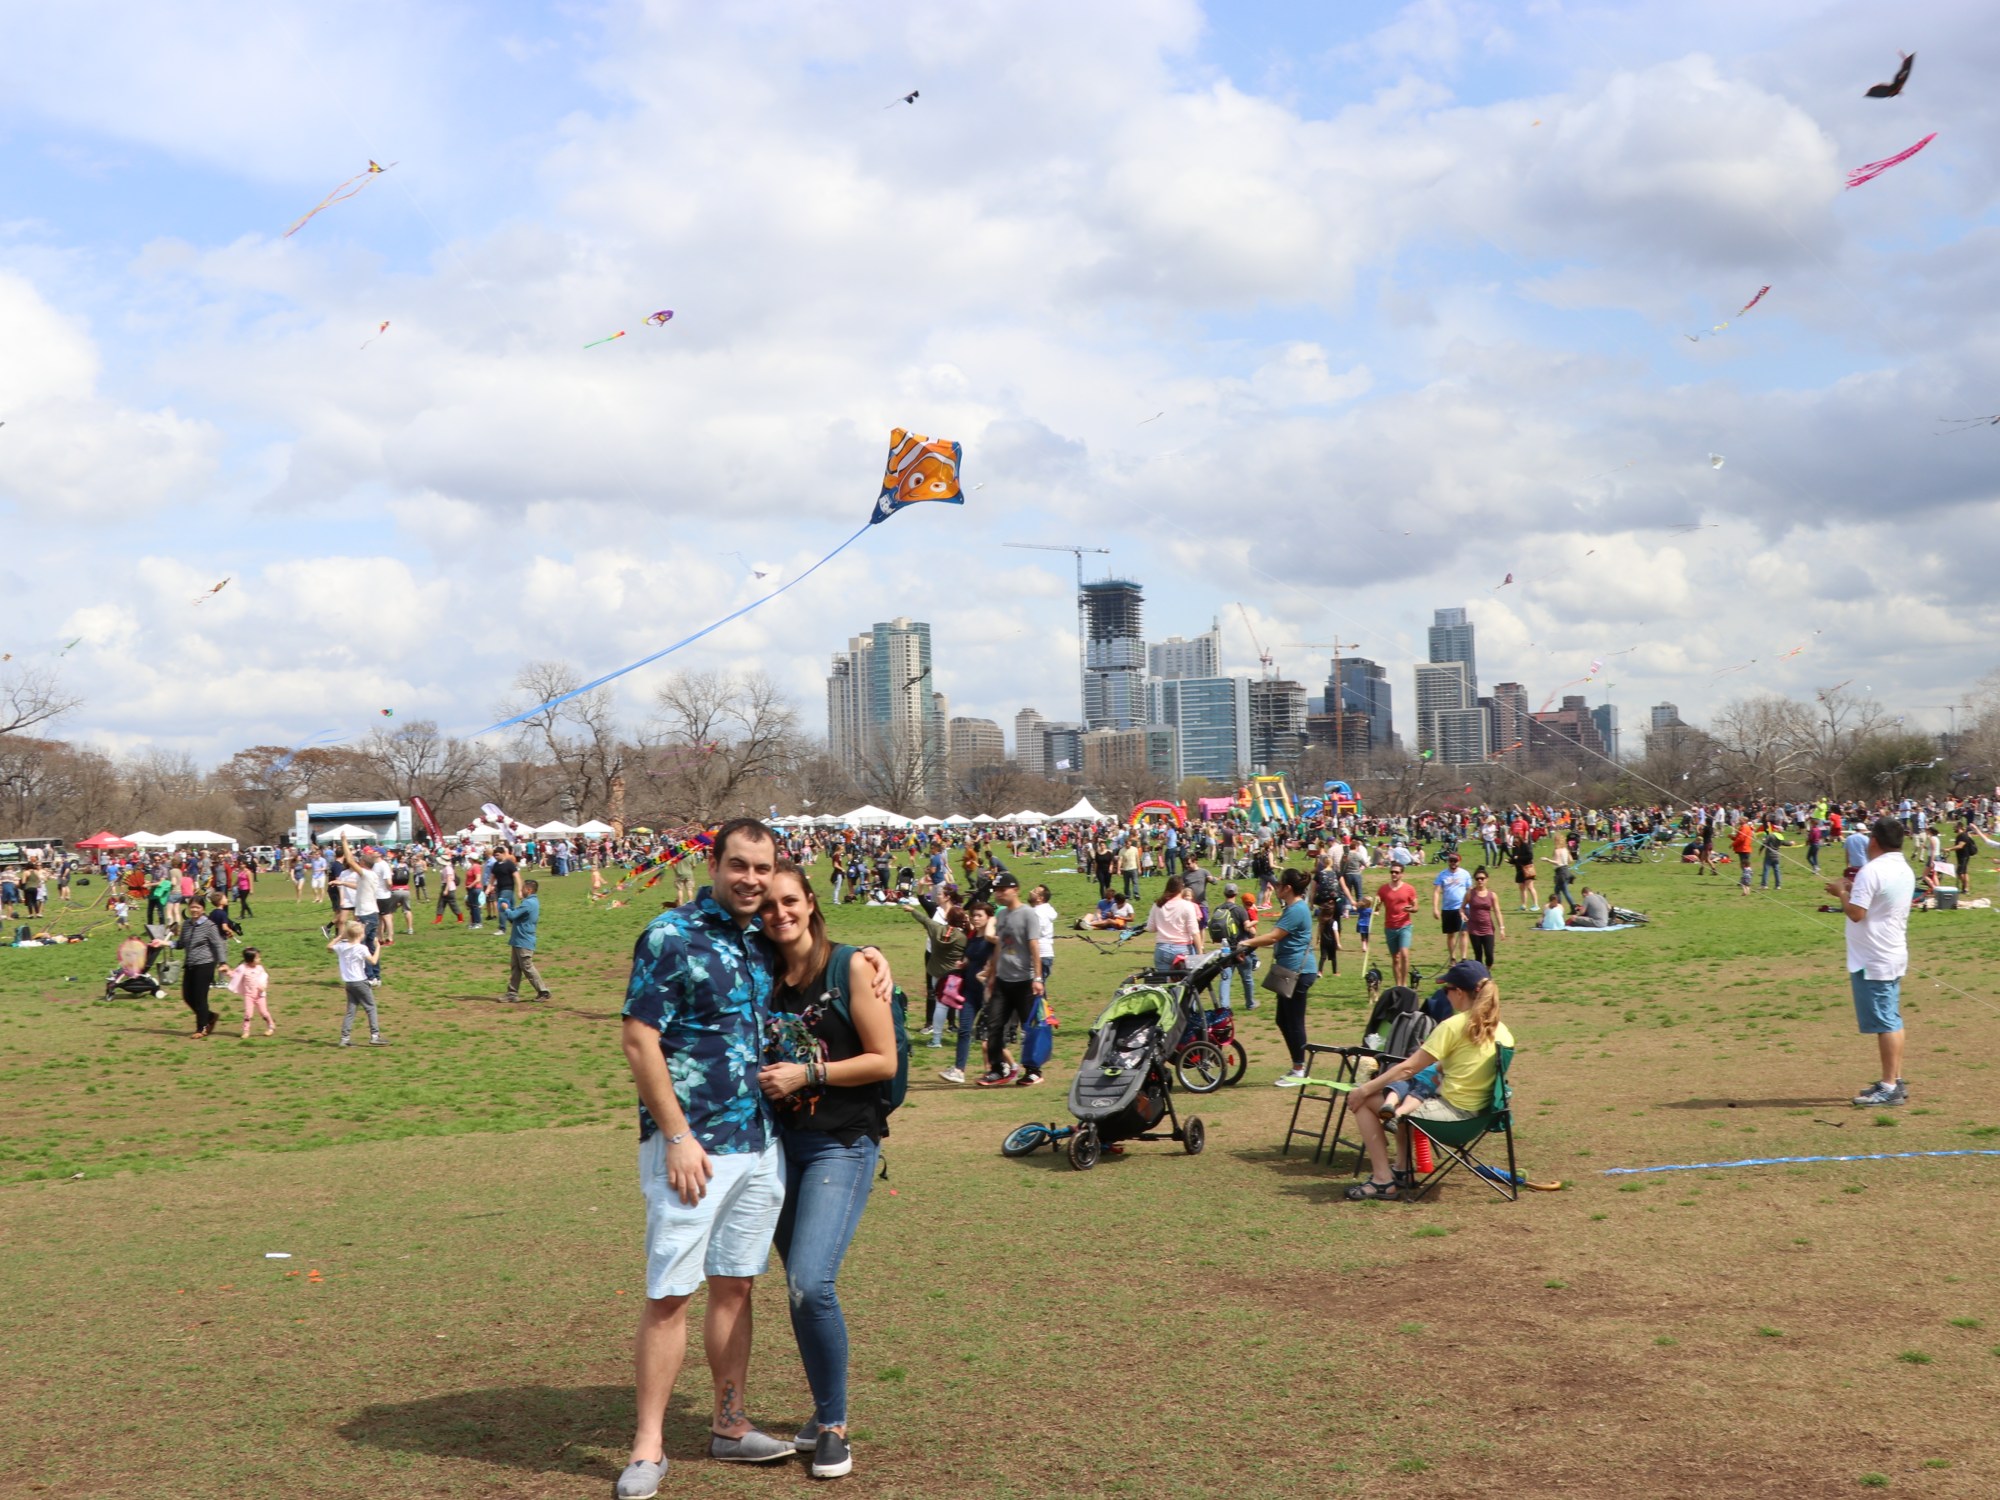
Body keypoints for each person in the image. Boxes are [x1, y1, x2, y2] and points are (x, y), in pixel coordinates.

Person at [614, 818, 797, 1494]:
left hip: (760, 1142)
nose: (751, 879)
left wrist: (872, 955)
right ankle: (648, 1446)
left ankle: (729, 1424)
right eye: (739, 865)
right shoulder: (671, 935)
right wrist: (677, 1136)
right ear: (714, 865)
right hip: (692, 1149)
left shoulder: (762, 940)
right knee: (670, 1293)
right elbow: (639, 1040)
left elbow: (819, 952)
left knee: (736, 1284)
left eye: (762, 868)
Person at [754, 863, 897, 1482]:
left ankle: (834, 1426)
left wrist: (808, 1073)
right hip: (774, 1148)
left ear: (811, 902)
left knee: (812, 1283)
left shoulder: (851, 966)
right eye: (766, 905)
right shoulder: (759, 970)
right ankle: (822, 1410)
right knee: (798, 1287)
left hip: (840, 1144)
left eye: (789, 900)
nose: (778, 913)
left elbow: (884, 1060)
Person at [1342, 959, 1513, 1200]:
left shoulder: (1453, 1026)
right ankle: (1402, 1169)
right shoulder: (1503, 1031)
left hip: (1452, 1120)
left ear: (1459, 992)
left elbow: (1408, 1069)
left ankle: (1382, 1180)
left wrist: (1363, 1089)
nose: (1445, 995)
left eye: (1446, 989)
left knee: (1364, 1101)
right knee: (1405, 1098)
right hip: (1480, 1118)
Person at [1826, 817, 1916, 1108]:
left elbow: (1856, 914)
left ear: (1874, 841)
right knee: (1892, 1018)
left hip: (1874, 957)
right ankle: (1895, 1080)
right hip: (1891, 951)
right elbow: (1877, 902)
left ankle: (1889, 1087)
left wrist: (1841, 892)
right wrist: (1854, 890)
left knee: (1885, 1022)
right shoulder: (1903, 868)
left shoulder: (1871, 870)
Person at [1240, 868, 1316, 1083]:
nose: (1276, 888)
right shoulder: (1293, 907)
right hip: (1289, 971)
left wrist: (1247, 942)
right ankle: (1297, 1066)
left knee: (1294, 1021)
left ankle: (1300, 1069)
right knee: (1283, 1020)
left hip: (1297, 972)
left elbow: (1274, 937)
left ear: (1288, 888)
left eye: (1280, 884)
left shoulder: (1296, 909)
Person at [978, 874, 1044, 1088]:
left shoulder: (1028, 914)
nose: (998, 894)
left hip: (1024, 981)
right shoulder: (1002, 914)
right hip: (1002, 980)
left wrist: (1037, 978)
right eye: (996, 890)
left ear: (1015, 890)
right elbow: (1000, 945)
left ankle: (1033, 1071)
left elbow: (1034, 946)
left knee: (1029, 1027)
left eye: (1002, 889)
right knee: (994, 1025)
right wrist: (992, 975)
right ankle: (999, 1069)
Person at [177, 896, 229, 1038]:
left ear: (203, 909)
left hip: (205, 964)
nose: (194, 910)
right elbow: (181, 944)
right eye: (192, 907)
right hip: (190, 963)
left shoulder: (209, 926)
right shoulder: (186, 924)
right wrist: (163, 943)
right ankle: (210, 1016)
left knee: (200, 997)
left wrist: (223, 963)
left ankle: (201, 1028)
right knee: (187, 996)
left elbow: (218, 945)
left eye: (197, 907)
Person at [329, 920, 383, 1046]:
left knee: (351, 1010)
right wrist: (378, 947)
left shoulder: (341, 947)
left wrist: (339, 937)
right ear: (360, 935)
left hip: (349, 983)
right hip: (360, 982)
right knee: (371, 1007)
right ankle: (375, 1036)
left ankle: (345, 1039)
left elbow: (329, 947)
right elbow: (373, 961)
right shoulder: (362, 948)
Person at [498, 878, 552, 1002]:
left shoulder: (528, 903)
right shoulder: (531, 902)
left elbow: (512, 915)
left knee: (527, 967)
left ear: (529, 890)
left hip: (524, 940)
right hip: (519, 939)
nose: (521, 890)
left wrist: (506, 908)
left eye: (522, 888)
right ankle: (512, 994)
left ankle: (543, 991)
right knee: (516, 968)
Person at [1144, 875, 1204, 973]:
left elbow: (1151, 928)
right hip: (1182, 948)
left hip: (1162, 948)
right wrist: (1200, 953)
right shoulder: (1187, 906)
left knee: (1163, 980)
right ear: (1182, 888)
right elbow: (1194, 932)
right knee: (1184, 980)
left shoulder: (1158, 904)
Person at [1375, 863, 1419, 990]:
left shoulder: (1409, 889)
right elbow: (1377, 907)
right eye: (1392, 872)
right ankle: (1398, 985)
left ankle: (1404, 985)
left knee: (1404, 954)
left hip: (1405, 926)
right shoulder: (1383, 889)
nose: (1394, 874)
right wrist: (1376, 906)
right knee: (1395, 958)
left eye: (1396, 872)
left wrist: (1411, 909)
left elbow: (1416, 907)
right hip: (1390, 927)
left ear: (1402, 874)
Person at [1431, 851, 1471, 962]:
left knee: (1464, 932)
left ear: (1459, 861)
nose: (1453, 863)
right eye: (1451, 860)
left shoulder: (1465, 874)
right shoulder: (1442, 875)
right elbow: (1436, 892)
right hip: (1447, 909)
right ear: (1448, 861)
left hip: (1462, 908)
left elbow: (1469, 891)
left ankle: (1463, 959)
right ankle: (1453, 958)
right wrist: (1435, 908)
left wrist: (1472, 906)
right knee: (1450, 935)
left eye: (1455, 861)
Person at [228, 946, 275, 1038]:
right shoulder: (243, 968)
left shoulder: (260, 968)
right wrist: (226, 971)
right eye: (257, 958)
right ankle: (246, 1031)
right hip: (249, 995)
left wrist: (263, 986)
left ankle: (271, 1026)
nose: (259, 959)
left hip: (260, 995)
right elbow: (234, 975)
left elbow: (264, 977)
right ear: (250, 960)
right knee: (248, 1014)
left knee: (263, 1012)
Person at [1463, 867, 1504, 967]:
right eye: (1477, 879)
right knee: (1478, 955)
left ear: (1487, 879)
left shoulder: (1492, 895)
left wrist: (1502, 928)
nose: (1480, 880)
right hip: (1474, 928)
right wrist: (1462, 914)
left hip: (1488, 928)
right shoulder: (1470, 894)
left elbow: (1497, 912)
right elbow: (1462, 907)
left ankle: (1487, 971)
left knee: (1489, 955)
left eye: (1482, 878)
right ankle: (1481, 974)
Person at [1759, 820, 1790, 889]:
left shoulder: (1771, 835)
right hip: (1776, 856)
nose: (1774, 828)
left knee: (1766, 870)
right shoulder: (1781, 838)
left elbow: (1764, 843)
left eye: (1776, 828)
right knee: (1777, 870)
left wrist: (1760, 850)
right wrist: (1791, 843)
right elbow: (1786, 843)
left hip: (1769, 855)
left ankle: (1764, 885)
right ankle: (1778, 885)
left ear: (1777, 830)